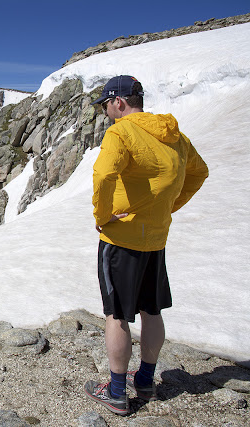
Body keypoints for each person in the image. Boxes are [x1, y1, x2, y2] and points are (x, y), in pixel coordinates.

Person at [84, 75, 209, 415]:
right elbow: (199, 172)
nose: (105, 111)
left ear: (119, 102)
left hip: (121, 239)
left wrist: (104, 215)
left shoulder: (120, 132)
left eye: (106, 104)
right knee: (151, 310)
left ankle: (116, 392)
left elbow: (103, 175)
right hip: (155, 237)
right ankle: (145, 381)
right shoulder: (174, 135)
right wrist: (169, 206)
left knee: (117, 315)